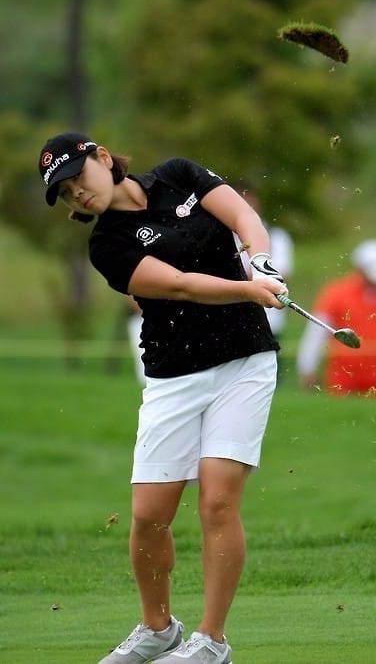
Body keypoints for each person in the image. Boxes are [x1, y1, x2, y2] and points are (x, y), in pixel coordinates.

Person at [38, 131, 289, 664]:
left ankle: (211, 641)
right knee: (150, 515)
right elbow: (177, 284)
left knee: (217, 499)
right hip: (174, 376)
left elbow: (243, 218)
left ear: (102, 159)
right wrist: (249, 288)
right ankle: (158, 629)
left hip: (244, 360)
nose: (77, 195)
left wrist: (261, 260)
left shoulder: (179, 174)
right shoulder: (106, 245)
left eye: (77, 178)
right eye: (64, 193)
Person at [297, 239, 376, 397]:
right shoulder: (336, 293)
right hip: (342, 379)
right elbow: (316, 333)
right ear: (360, 268)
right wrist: (307, 367)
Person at [233, 182, 294, 342]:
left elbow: (279, 275)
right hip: (233, 324)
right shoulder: (220, 239)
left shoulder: (276, 236)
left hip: (269, 321)